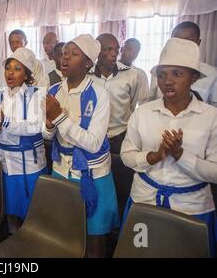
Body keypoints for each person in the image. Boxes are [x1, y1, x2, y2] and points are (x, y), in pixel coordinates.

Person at [121, 37, 217, 256]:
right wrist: (153, 156)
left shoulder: (211, 117)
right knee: (140, 252)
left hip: (191, 209)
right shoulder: (143, 113)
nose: (168, 81)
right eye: (162, 75)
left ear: (193, 78)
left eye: (177, 74)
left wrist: (180, 155)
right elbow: (127, 155)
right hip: (144, 201)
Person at [44, 34, 119, 258]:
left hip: (91, 174)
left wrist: (58, 119)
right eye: (64, 53)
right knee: (65, 232)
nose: (65, 58)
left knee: (95, 239)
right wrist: (48, 124)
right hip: (61, 169)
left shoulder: (99, 94)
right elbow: (48, 136)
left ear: (88, 63)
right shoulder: (54, 91)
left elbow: (94, 143)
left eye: (74, 54)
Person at [0, 47, 47, 233]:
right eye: (8, 68)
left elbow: (35, 126)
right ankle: (13, 239)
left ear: (27, 74)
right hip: (4, 162)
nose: (10, 72)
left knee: (31, 211)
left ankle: (32, 246)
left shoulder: (36, 94)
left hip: (28, 163)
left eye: (17, 69)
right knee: (10, 208)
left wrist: (5, 121)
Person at [89, 33, 141, 154]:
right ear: (98, 52)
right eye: (108, 49)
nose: (114, 54)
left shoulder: (131, 75)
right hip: (93, 137)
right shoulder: (87, 76)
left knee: (121, 171)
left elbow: (132, 105)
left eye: (117, 49)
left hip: (121, 137)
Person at [149, 21, 217, 107]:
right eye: (176, 41)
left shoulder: (212, 74)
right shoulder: (160, 70)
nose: (181, 46)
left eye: (188, 41)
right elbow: (151, 101)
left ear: (198, 42)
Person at [119, 38, 150, 105]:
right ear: (121, 49)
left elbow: (144, 101)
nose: (131, 54)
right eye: (129, 49)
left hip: (130, 114)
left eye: (135, 52)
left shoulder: (140, 74)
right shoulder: (110, 69)